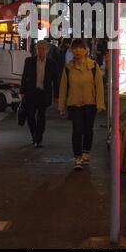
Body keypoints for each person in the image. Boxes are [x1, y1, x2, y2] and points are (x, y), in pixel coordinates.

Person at [58, 38, 105, 170]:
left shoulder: (93, 66)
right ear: (72, 50)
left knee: (88, 129)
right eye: (75, 48)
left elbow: (99, 86)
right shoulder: (68, 68)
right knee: (77, 130)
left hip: (90, 103)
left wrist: (100, 104)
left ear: (85, 50)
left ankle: (86, 152)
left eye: (80, 48)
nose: (77, 50)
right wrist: (61, 107)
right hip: (74, 104)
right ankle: (77, 157)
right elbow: (63, 88)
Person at [20, 40, 59, 147]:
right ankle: (34, 135)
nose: (41, 51)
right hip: (31, 92)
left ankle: (39, 138)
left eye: (43, 49)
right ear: (36, 49)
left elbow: (56, 80)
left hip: (44, 93)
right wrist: (22, 91)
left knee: (41, 116)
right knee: (30, 115)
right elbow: (24, 77)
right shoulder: (29, 61)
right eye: (39, 49)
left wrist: (57, 95)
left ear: (47, 50)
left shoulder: (52, 63)